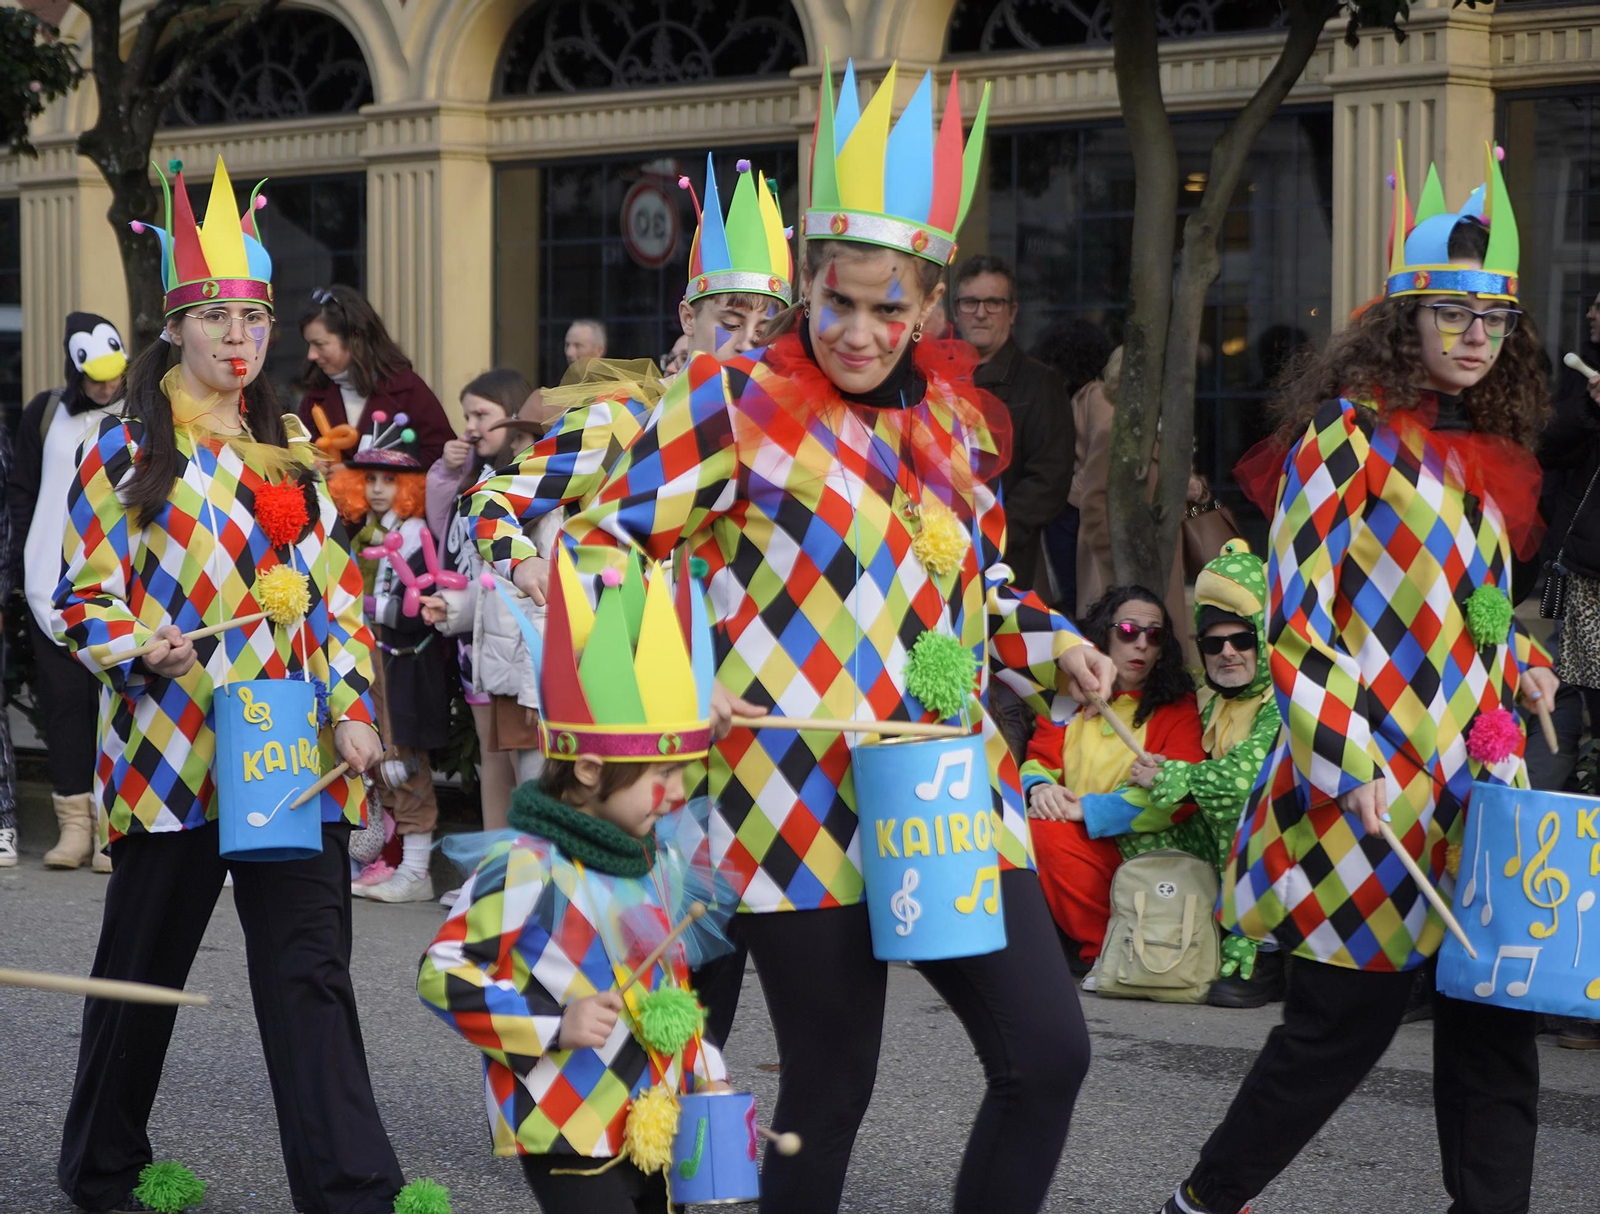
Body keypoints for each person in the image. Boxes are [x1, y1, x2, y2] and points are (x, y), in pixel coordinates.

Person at [557, 59, 1116, 1214]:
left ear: (927, 300)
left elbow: (976, 578)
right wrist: (667, 692)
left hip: (945, 777)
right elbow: (604, 546)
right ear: (806, 286)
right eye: (837, 301)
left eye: (887, 306)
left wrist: (1051, 639)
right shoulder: (726, 396)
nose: (860, 330)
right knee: (831, 1085)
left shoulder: (955, 419)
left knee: (1047, 1053)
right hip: (788, 788)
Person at [1158, 146, 1554, 1214]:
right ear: (1404, 317)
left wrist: (1522, 663)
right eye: (1452, 313)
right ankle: (1201, 1201)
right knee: (1336, 1029)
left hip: (1475, 788)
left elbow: (1464, 608)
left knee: (1492, 1028)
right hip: (1364, 788)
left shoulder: (1484, 446)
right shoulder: (1343, 436)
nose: (1476, 337)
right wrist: (1343, 756)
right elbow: (1296, 610)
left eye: (1495, 321)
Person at [55, 157, 433, 1214]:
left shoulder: (297, 457)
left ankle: (352, 1188)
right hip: (173, 752)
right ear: (174, 326)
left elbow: (337, 604)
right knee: (145, 970)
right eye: (215, 315)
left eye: (253, 316)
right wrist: (142, 641)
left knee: (308, 972)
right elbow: (76, 601)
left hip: (291, 753)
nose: (237, 337)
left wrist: (356, 714)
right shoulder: (122, 449)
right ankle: (101, 1167)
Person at [418, 550, 733, 1214]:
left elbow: (668, 985)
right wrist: (551, 1022)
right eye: (662, 774)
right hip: (563, 1121)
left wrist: (708, 1069)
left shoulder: (655, 858)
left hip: (650, 1115)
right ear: (589, 770)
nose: (678, 795)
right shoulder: (527, 864)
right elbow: (443, 972)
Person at [1121, 541, 1285, 1008]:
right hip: (1215, 840)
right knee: (1143, 827)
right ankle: (1178, 931)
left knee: (1250, 818)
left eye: (1242, 640)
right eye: (1213, 643)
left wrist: (1172, 776)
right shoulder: (1206, 692)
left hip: (1277, 842)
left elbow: (1243, 782)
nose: (1227, 653)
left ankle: (1262, 951)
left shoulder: (1285, 697)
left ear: (1264, 637)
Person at [1021, 585, 1203, 974]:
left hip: (1140, 854)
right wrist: (1039, 790)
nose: (1140, 644)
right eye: (1127, 631)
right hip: (1070, 841)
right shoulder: (1065, 698)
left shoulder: (1179, 710)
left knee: (1046, 832)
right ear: (1103, 634)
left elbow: (1180, 799)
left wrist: (1085, 810)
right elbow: (1037, 762)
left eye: (1153, 636)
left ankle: (1101, 950)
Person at [9, 312, 128, 870]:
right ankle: (74, 824)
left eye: (114, 374)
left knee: (116, 700)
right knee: (63, 707)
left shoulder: (144, 411)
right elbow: (23, 492)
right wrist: (12, 574)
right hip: (45, 583)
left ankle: (114, 825)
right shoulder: (46, 411)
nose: (108, 387)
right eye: (97, 378)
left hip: (118, 581)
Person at [1522, 282, 1600, 1049]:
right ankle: (1547, 983)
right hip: (1577, 599)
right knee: (1553, 777)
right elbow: (1546, 450)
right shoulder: (1581, 383)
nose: (1596, 317)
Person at [329, 420, 450, 904]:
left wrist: (361, 606)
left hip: (404, 661)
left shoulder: (416, 534)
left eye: (389, 480)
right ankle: (394, 860)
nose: (377, 489)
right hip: (375, 655)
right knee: (381, 757)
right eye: (370, 479)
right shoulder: (375, 531)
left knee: (407, 760)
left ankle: (417, 871)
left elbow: (415, 608)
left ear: (410, 486)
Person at [425, 368, 536, 834]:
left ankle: (519, 869)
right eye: (466, 414)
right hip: (475, 636)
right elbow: (438, 520)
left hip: (518, 646)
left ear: (514, 418)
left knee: (523, 764)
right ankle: (495, 867)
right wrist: (449, 470)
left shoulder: (525, 484)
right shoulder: (476, 474)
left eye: (481, 414)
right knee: (493, 757)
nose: (470, 426)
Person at [953, 254, 1072, 593]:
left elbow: (1049, 481)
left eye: (993, 302)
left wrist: (987, 534)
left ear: (1013, 311)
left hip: (1009, 566)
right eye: (970, 302)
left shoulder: (1040, 383)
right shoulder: (935, 378)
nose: (980, 312)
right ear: (956, 309)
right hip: (934, 556)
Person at [297, 284, 456, 468]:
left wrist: (364, 473)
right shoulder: (314, 397)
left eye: (320, 344)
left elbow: (440, 457)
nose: (311, 355)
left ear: (355, 338)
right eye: (309, 344)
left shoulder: (408, 390)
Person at [1033, 318, 1113, 612]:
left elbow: (1100, 454)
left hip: (1075, 510)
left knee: (1075, 592)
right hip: (1072, 508)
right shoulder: (1082, 395)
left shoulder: (1095, 396)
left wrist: (1067, 493)